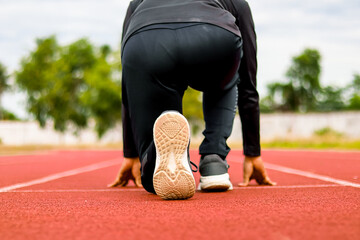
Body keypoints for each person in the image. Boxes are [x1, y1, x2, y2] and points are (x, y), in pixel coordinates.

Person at [109, 0, 274, 199]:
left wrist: (131, 154)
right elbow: (248, 82)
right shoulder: (236, 2)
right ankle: (214, 160)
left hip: (146, 41)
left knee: (160, 128)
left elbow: (129, 85)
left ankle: (154, 158)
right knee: (228, 77)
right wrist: (253, 152)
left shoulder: (138, 3)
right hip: (214, 39)